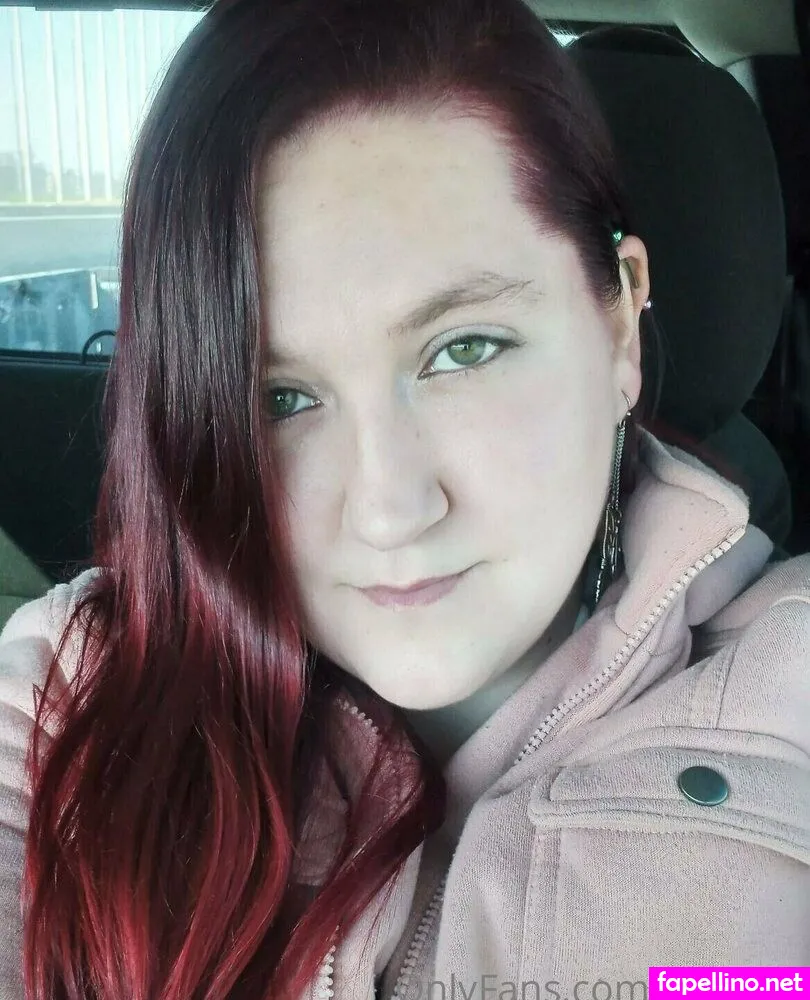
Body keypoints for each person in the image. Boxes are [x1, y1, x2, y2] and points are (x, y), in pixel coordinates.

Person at [0, 0, 808, 997]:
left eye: (464, 349)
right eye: (280, 398)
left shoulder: (792, 680)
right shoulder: (75, 689)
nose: (388, 510)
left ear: (619, 327)